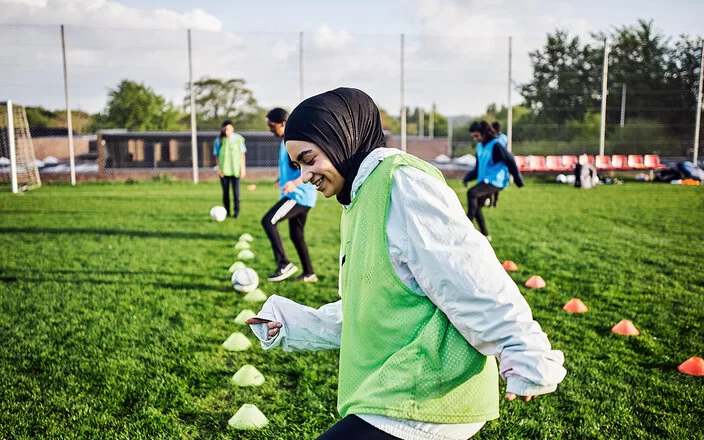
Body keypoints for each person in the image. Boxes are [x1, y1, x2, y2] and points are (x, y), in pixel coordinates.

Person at [246, 88, 566, 440]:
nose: (305, 175)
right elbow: (373, 308)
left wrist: (523, 351)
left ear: (341, 138)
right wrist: (292, 324)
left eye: (309, 159)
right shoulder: (359, 197)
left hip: (426, 395)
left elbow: (470, 275)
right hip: (400, 393)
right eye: (298, 166)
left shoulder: (403, 183)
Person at [261, 108, 319, 282]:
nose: (270, 129)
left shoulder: (294, 141)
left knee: (268, 221)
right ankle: (309, 273)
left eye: (272, 126)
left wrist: (294, 183)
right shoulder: (286, 141)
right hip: (300, 195)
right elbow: (293, 167)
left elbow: (308, 167)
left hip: (298, 196)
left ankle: (283, 263)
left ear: (283, 124)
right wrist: (282, 178)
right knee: (296, 235)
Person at [463, 121, 523, 241]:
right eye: (473, 136)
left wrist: (517, 179)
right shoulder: (480, 147)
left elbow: (510, 160)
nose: (475, 139)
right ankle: (485, 235)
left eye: (476, 136)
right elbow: (478, 167)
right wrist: (468, 177)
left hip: (496, 180)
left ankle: (466, 226)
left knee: (472, 193)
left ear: (484, 133)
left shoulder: (496, 145)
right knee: (477, 205)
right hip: (484, 180)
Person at [213, 120, 246, 218]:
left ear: (232, 129)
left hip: (235, 170)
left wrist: (243, 168)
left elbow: (242, 155)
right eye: (225, 129)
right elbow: (217, 156)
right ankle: (226, 212)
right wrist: (219, 169)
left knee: (236, 193)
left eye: (228, 129)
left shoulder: (239, 139)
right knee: (225, 193)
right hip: (224, 171)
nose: (227, 131)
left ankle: (237, 213)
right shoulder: (219, 140)